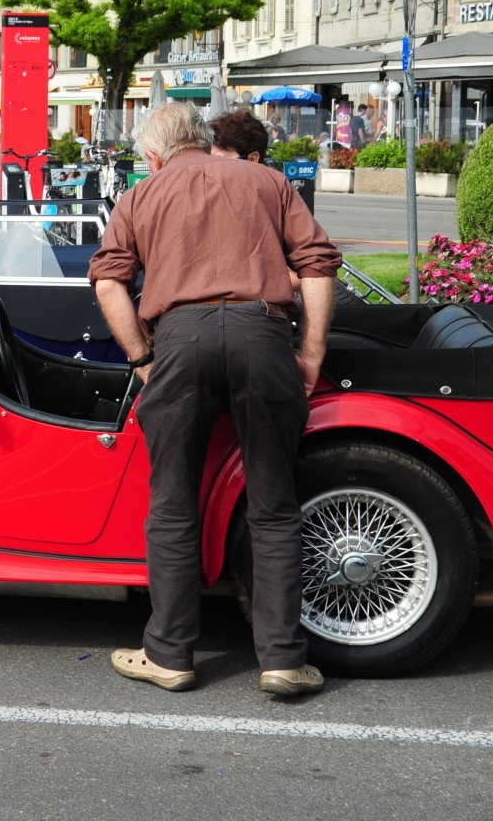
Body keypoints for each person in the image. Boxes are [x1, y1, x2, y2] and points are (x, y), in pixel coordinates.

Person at [89, 103, 341, 698]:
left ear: (154, 155)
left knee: (174, 502)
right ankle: (281, 659)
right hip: (264, 335)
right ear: (204, 139)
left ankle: (169, 654)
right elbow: (318, 265)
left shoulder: (141, 194)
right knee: (274, 504)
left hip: (179, 340)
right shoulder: (271, 182)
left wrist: (142, 358)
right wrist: (311, 352)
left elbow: (109, 281)